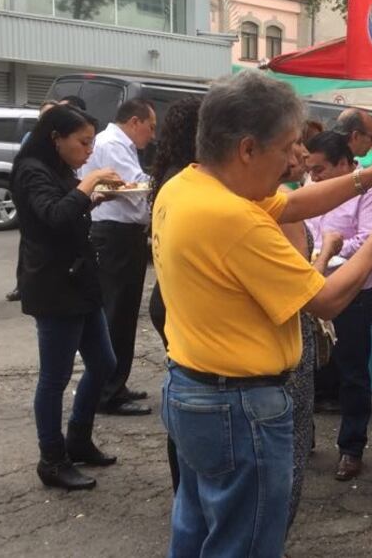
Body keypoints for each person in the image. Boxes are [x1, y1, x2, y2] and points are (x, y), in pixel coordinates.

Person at [154, 71, 372, 556]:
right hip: (238, 407)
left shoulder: (186, 186)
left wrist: (370, 175)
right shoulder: (233, 219)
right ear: (247, 149)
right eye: (285, 148)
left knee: (195, 531)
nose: (292, 161)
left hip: (191, 390)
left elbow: (293, 204)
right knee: (245, 544)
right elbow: (326, 299)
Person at [11, 104, 122, 490]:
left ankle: (78, 438)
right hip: (54, 286)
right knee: (54, 378)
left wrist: (94, 199)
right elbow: (54, 215)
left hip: (80, 281)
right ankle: (52, 458)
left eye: (92, 143)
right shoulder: (32, 170)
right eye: (83, 142)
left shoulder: (57, 169)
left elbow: (67, 209)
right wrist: (89, 183)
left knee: (104, 363)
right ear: (56, 138)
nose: (89, 150)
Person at [304, 131, 372, 481]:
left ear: (344, 163)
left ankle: (352, 448)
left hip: (354, 293)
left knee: (353, 371)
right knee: (307, 366)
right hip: (314, 285)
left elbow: (371, 240)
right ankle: (303, 438)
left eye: (320, 169)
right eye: (310, 170)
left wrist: (330, 251)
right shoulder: (313, 189)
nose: (313, 177)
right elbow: (307, 230)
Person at [82, 98, 158, 416]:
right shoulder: (113, 144)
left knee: (123, 313)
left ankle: (116, 383)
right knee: (116, 313)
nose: (152, 135)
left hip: (123, 235)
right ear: (135, 122)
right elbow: (135, 185)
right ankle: (107, 392)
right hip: (115, 235)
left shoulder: (118, 143)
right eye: (150, 127)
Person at [279, 132, 336, 526]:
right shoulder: (276, 204)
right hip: (287, 345)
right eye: (293, 142)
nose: (302, 151)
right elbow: (314, 297)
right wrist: (329, 250)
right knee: (286, 461)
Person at [147, 95, 203, 493]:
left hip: (165, 295)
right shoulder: (185, 181)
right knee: (187, 400)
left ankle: (184, 488)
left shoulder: (170, 173)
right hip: (173, 298)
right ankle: (184, 486)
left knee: (184, 395)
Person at [8, 99, 66, 303]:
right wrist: (87, 187)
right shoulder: (33, 168)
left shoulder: (61, 164)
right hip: (46, 273)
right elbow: (55, 213)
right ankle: (21, 284)